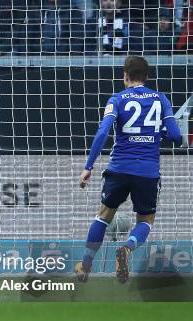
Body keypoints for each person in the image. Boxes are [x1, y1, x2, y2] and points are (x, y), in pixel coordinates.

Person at [76, 56, 182, 283]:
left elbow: (103, 132)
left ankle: (85, 266)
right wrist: (156, 133)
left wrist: (88, 167)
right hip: (147, 172)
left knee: (104, 216)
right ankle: (127, 248)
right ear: (147, 77)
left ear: (125, 77)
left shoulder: (117, 99)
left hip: (119, 169)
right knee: (145, 220)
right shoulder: (161, 99)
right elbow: (175, 136)